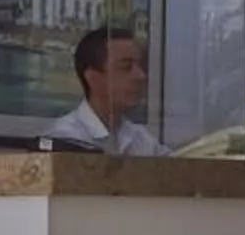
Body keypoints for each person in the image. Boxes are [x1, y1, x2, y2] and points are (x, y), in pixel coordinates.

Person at [44, 27, 162, 155]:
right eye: (126, 67)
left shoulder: (142, 139)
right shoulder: (65, 139)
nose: (140, 76)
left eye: (141, 66)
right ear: (92, 78)